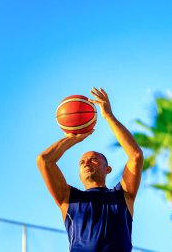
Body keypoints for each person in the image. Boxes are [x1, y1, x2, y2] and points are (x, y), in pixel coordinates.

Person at [37, 87, 143, 252]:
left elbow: (135, 156)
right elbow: (44, 160)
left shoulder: (122, 195)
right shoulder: (68, 198)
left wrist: (109, 117)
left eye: (93, 159)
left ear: (107, 169)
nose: (86, 163)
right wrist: (72, 138)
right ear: (79, 174)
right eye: (82, 162)